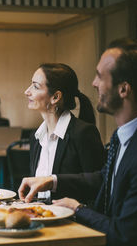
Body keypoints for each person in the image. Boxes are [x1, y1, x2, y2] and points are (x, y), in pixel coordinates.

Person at [19, 38, 137, 246]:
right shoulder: (119, 138)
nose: (93, 83)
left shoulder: (95, 136)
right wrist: (52, 180)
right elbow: (102, 178)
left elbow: (125, 235)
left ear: (123, 89)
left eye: (100, 76)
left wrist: (78, 209)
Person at [23, 63, 105, 201]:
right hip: (41, 217)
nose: (27, 91)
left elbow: (99, 187)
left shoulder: (83, 133)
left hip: (74, 220)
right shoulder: (36, 137)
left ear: (55, 97)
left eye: (35, 86)